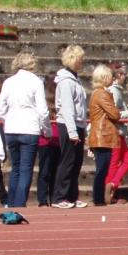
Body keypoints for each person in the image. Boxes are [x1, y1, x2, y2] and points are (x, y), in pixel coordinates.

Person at [0, 51, 51, 208]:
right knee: (26, 169)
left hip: (12, 128)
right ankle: (20, 203)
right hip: (29, 128)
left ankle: (12, 202)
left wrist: (7, 120)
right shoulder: (36, 82)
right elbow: (43, 111)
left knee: (16, 168)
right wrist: (46, 129)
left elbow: (0, 109)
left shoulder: (9, 82)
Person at [52, 45, 88, 209]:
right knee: (68, 161)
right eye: (80, 59)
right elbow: (67, 108)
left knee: (76, 162)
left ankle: (72, 195)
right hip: (68, 125)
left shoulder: (75, 79)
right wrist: (72, 131)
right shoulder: (66, 81)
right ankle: (60, 196)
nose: (82, 62)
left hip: (77, 123)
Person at [87, 64, 121, 207]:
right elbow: (115, 114)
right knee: (102, 169)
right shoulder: (102, 94)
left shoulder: (98, 93)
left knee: (103, 169)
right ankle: (98, 198)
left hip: (100, 135)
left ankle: (99, 198)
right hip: (102, 136)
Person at [105, 63, 128, 204]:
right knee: (115, 163)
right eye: (123, 74)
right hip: (115, 131)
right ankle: (109, 191)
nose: (125, 76)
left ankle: (113, 185)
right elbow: (114, 112)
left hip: (119, 132)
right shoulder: (114, 91)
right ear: (117, 75)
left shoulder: (117, 90)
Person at [36, 86, 60, 208]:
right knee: (45, 172)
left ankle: (53, 198)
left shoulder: (59, 106)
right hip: (45, 142)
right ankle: (43, 200)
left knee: (54, 172)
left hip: (57, 142)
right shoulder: (42, 107)